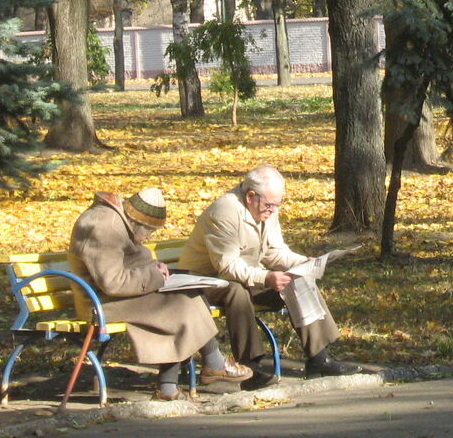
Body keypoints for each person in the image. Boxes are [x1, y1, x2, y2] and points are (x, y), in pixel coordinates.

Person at [179, 164, 360, 390]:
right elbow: (226, 266)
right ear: (250, 196)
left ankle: (318, 358)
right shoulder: (224, 212)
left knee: (298, 279)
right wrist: (266, 278)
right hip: (202, 281)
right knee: (237, 291)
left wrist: (304, 263)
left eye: (278, 204)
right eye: (270, 205)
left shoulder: (266, 209)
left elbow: (274, 251)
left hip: (242, 275)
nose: (274, 211)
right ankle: (250, 367)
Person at [68, 188, 252, 401]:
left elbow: (129, 262)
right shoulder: (104, 227)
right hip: (99, 303)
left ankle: (175, 384)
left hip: (118, 296)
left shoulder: (118, 221)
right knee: (181, 305)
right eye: (149, 232)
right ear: (138, 223)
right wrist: (154, 275)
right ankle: (208, 366)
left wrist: (155, 268)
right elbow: (113, 282)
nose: (147, 238)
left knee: (187, 297)